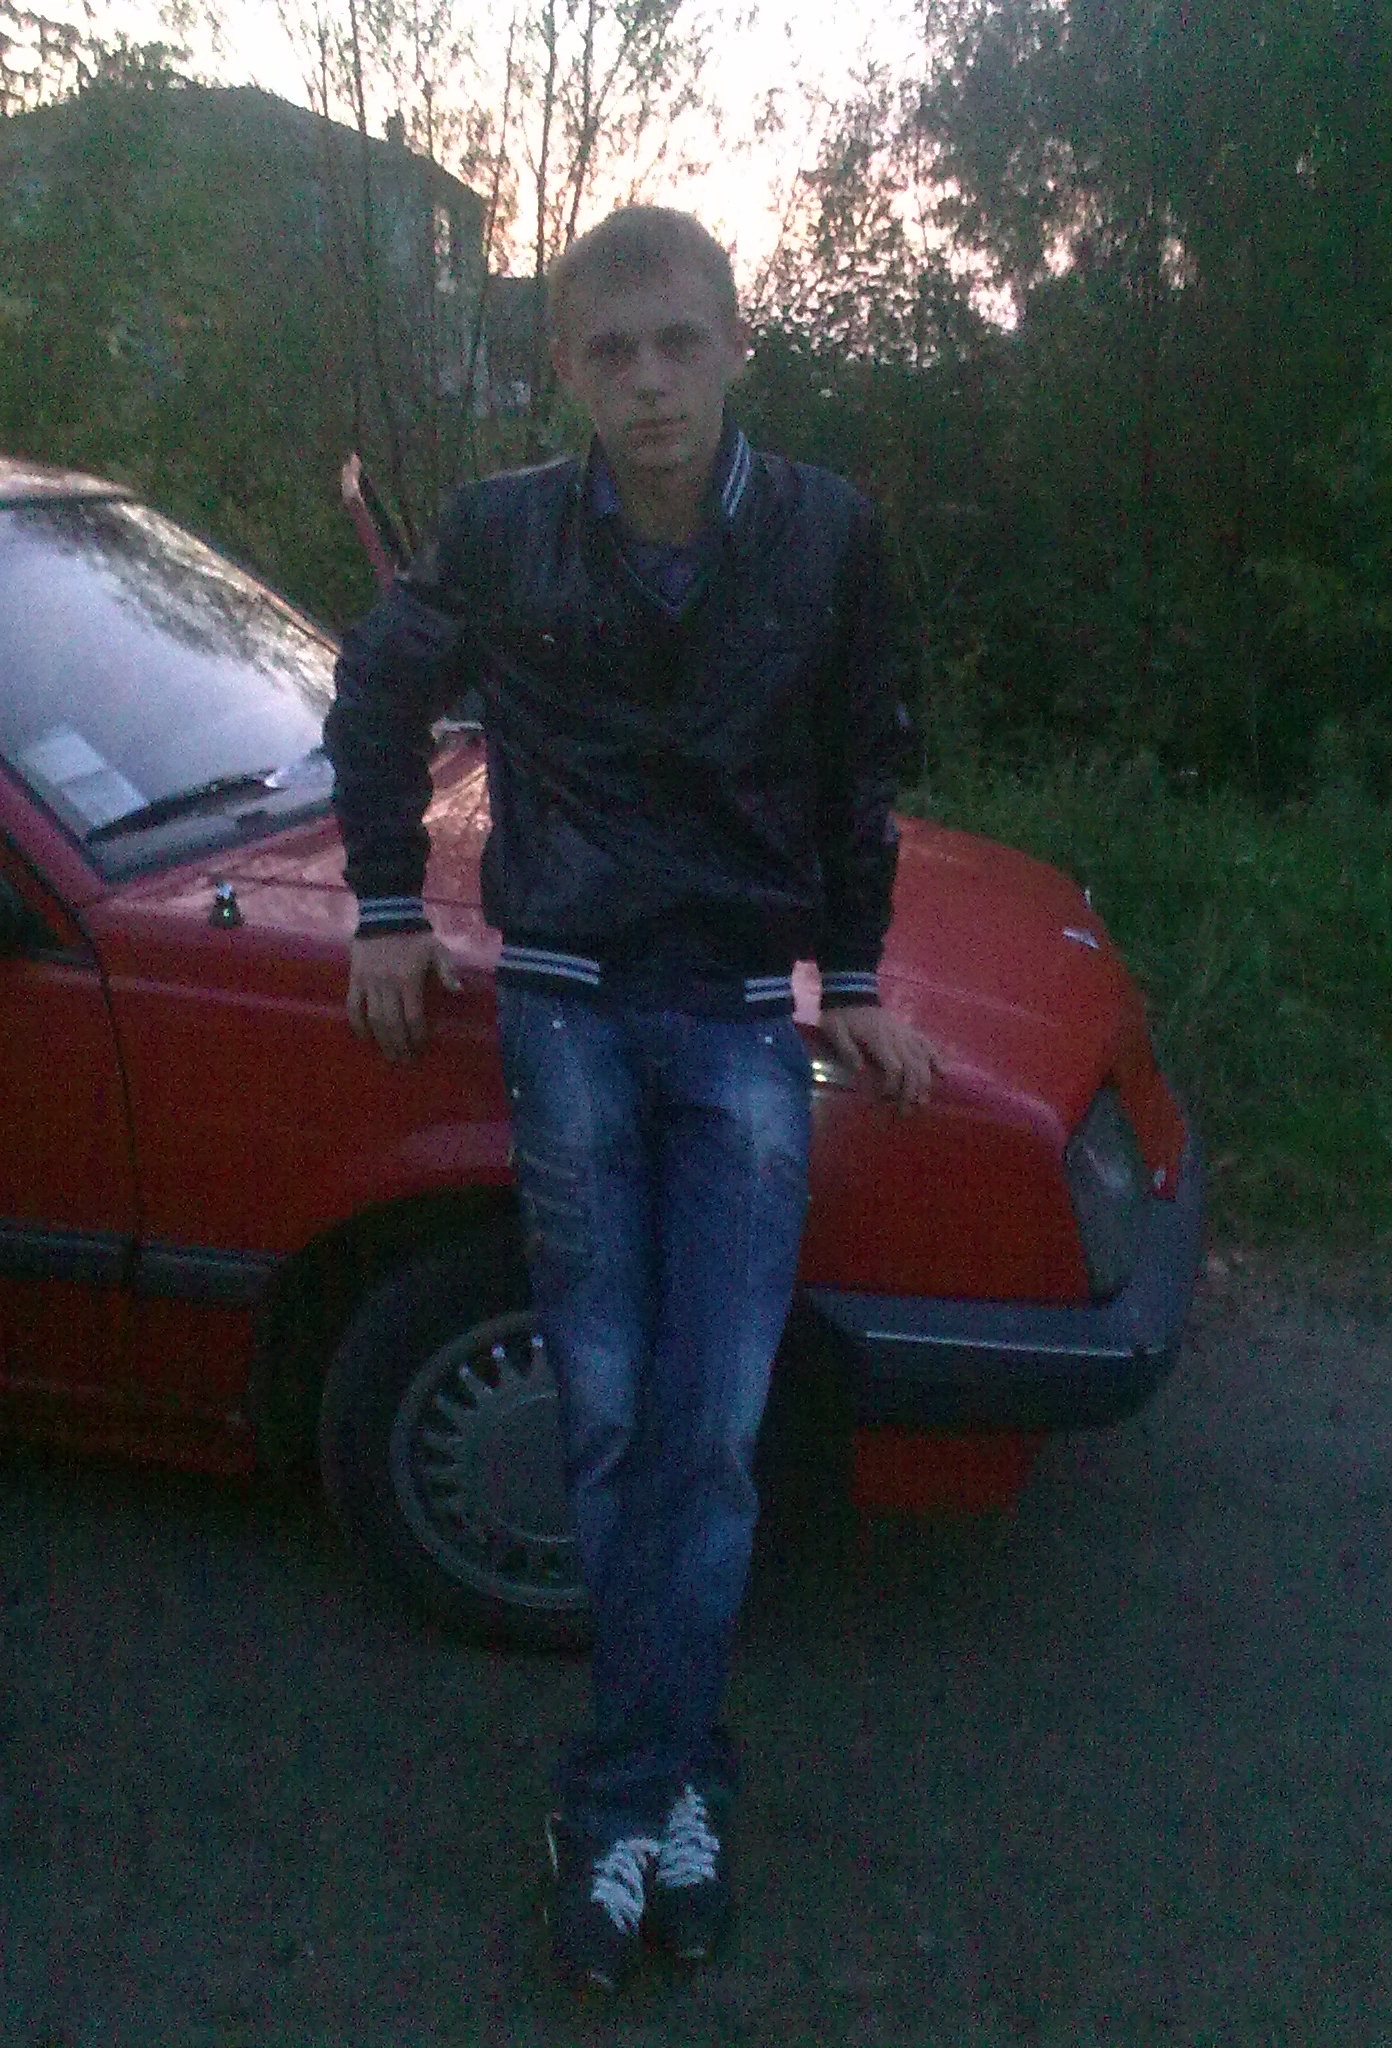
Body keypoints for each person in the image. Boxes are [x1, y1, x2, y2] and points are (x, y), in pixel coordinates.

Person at [323, 205, 937, 1992]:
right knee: (605, 1422)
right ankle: (672, 1794)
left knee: (713, 1434)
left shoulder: (825, 532)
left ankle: (624, 1798)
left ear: (738, 343)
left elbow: (864, 761)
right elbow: (377, 690)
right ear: (568, 371)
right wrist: (383, 904)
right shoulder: (505, 530)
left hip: (741, 1019)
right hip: (572, 1007)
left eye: (679, 343)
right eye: (613, 352)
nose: (650, 382)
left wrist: (860, 978)